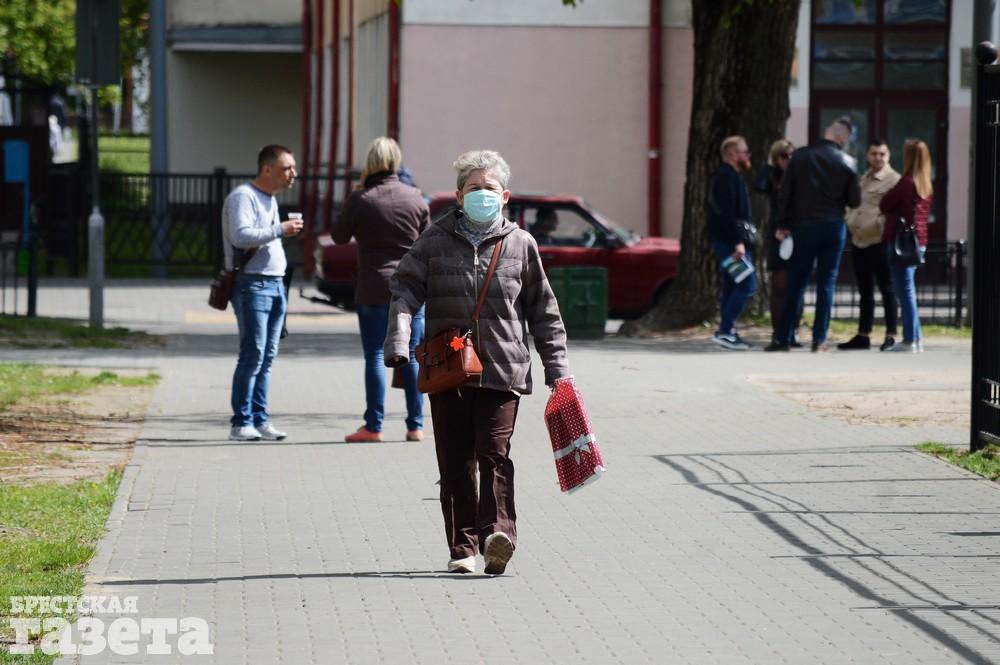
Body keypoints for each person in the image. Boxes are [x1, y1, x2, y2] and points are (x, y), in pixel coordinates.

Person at [384, 149, 570, 575]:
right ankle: (463, 549)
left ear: (504, 196)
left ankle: (497, 535)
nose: (481, 194)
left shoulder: (520, 244)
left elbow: (544, 311)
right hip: (448, 368)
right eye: (473, 188)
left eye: (489, 188)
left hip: (504, 368)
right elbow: (404, 290)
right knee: (455, 462)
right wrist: (398, 341)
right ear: (458, 195)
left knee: (494, 453)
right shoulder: (434, 240)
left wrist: (557, 369)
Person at [332, 137, 431, 442]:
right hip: (411, 288)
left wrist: (351, 206)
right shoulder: (415, 197)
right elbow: (429, 242)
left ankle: (374, 426)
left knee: (375, 355)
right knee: (412, 355)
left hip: (373, 285)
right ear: (396, 161)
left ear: (370, 162)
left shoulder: (361, 199)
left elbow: (339, 237)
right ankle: (415, 425)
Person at [224, 145, 303, 441]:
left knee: (267, 356)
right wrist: (280, 229)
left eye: (293, 167)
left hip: (275, 283)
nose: (293, 173)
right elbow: (240, 236)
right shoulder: (243, 197)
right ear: (267, 169)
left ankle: (260, 419)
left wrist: (280, 231)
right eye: (287, 168)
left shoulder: (269, 198)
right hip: (252, 284)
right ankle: (240, 422)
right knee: (253, 354)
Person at [766, 117, 861, 352]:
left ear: (828, 132)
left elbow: (785, 194)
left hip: (804, 226)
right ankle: (819, 340)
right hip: (833, 226)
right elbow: (854, 200)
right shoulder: (848, 162)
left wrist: (783, 224)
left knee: (796, 282)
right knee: (826, 283)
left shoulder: (800, 157)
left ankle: (782, 338)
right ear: (843, 138)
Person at [838, 139, 900, 351]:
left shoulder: (893, 180)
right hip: (859, 240)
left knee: (887, 288)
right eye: (874, 154)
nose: (878, 158)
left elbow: (895, 210)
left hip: (880, 241)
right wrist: (849, 219)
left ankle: (891, 334)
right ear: (867, 156)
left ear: (888, 156)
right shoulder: (863, 178)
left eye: (882, 154)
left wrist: (878, 224)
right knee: (865, 290)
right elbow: (854, 203)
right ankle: (863, 335)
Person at [880, 139, 933, 353]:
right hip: (919, 241)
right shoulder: (926, 184)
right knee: (908, 290)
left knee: (905, 292)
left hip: (901, 242)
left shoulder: (906, 182)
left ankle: (910, 339)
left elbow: (885, 204)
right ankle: (916, 338)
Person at [708, 135, 757, 351]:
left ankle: (727, 331)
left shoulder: (732, 176)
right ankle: (726, 331)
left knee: (731, 286)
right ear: (731, 155)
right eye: (744, 152)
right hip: (730, 243)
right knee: (747, 285)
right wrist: (738, 242)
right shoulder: (726, 177)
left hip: (727, 241)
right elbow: (727, 213)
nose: (747, 155)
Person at [753, 138, 801, 347]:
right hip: (778, 235)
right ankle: (778, 332)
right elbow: (758, 186)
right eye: (783, 155)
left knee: (797, 286)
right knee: (779, 286)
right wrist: (768, 168)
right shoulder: (771, 176)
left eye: (791, 155)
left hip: (799, 234)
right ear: (775, 158)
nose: (788, 159)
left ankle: (794, 331)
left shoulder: (801, 176)